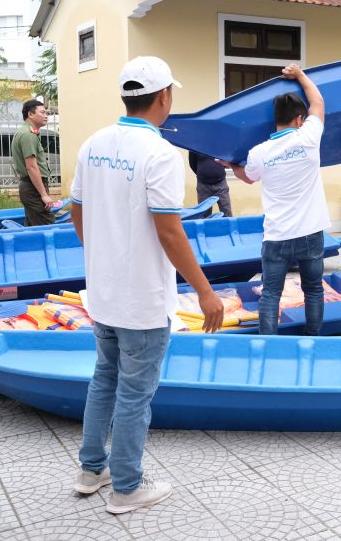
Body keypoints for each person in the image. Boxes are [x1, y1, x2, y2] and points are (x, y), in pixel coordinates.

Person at [69, 56, 225, 515]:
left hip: (102, 292)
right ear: (164, 97)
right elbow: (169, 230)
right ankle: (127, 487)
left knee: (104, 379)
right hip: (141, 299)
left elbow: (76, 209)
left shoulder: (93, 144)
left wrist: (100, 252)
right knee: (135, 393)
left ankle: (90, 469)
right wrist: (205, 291)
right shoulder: (159, 153)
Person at [223, 64, 329, 336]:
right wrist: (301, 75)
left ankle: (269, 345)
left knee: (271, 293)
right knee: (314, 289)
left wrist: (231, 164)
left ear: (276, 121)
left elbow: (247, 177)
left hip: (277, 235)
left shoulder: (259, 152)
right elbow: (318, 101)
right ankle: (313, 338)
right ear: (298, 120)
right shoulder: (309, 137)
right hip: (310, 232)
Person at [11, 99, 56, 226]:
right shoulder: (28, 134)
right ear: (30, 114)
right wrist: (44, 194)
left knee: (31, 228)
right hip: (33, 188)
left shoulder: (26, 132)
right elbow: (31, 166)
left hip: (31, 187)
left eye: (46, 113)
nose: (46, 116)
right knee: (46, 226)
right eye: (42, 112)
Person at [189, 150, 232, 216]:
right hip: (203, 186)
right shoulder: (195, 144)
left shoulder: (220, 142)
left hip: (221, 184)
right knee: (204, 215)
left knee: (227, 212)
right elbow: (192, 164)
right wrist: (204, 174)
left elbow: (226, 159)